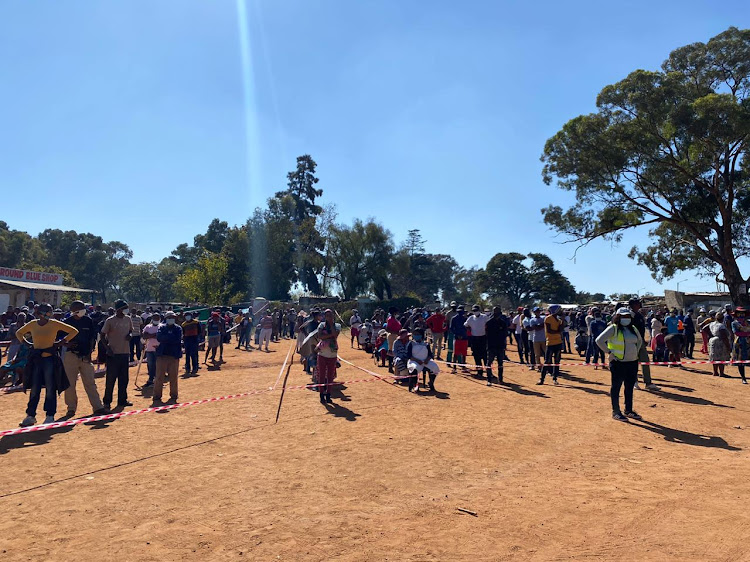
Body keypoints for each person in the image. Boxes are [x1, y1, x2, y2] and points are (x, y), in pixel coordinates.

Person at [16, 303, 78, 426]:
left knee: (50, 388)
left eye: (50, 311)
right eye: (48, 311)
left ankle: (50, 415)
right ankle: (30, 415)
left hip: (50, 359)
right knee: (35, 388)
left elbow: (73, 331)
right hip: (36, 359)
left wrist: (61, 342)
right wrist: (27, 343)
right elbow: (19, 333)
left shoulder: (54, 323)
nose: (50, 313)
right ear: (40, 314)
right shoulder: (33, 324)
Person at [595, 307, 643, 422]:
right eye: (623, 317)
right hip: (618, 363)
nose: (626, 318)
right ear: (618, 317)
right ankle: (616, 411)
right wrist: (609, 352)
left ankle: (628, 410)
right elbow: (599, 340)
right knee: (616, 387)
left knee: (629, 387)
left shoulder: (633, 329)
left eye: (628, 316)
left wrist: (635, 353)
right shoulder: (613, 328)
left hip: (632, 362)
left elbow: (639, 341)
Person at [62, 300, 108, 417]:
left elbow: (92, 337)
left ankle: (98, 407)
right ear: (74, 310)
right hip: (71, 356)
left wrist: (90, 351)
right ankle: (71, 408)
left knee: (90, 383)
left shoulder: (88, 321)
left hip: (86, 356)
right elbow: (58, 338)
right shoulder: (66, 322)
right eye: (81, 308)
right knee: (70, 384)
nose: (84, 309)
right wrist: (66, 344)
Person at [100, 300, 134, 410]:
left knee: (124, 379)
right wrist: (107, 348)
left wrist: (130, 335)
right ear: (119, 309)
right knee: (111, 379)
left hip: (125, 352)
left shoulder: (128, 319)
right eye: (125, 307)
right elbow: (102, 335)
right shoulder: (110, 320)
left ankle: (122, 400)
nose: (127, 309)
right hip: (113, 354)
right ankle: (107, 401)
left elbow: (130, 331)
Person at [628, 298, 660, 391]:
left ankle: (648, 383)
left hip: (640, 341)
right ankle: (634, 382)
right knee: (633, 362)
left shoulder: (639, 315)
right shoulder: (629, 315)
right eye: (638, 303)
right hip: (633, 342)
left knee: (645, 361)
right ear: (634, 305)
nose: (640, 305)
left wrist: (643, 340)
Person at [153, 311, 183, 405]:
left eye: (173, 317)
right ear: (166, 318)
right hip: (162, 355)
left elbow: (177, 339)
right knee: (159, 377)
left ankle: (174, 395)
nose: (171, 318)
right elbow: (159, 338)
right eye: (169, 317)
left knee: (173, 377)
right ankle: (157, 395)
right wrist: (170, 337)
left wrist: (166, 338)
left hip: (174, 356)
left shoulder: (178, 328)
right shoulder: (161, 327)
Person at [316, 309, 340, 404]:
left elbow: (335, 335)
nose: (328, 317)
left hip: (332, 354)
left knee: (330, 376)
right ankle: (322, 395)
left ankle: (328, 395)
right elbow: (320, 336)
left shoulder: (337, 325)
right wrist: (330, 336)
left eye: (330, 315)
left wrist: (330, 326)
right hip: (322, 354)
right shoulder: (321, 325)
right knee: (322, 376)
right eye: (326, 315)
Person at [406, 327, 439, 392]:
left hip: (425, 361)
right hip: (414, 361)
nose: (416, 336)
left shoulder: (426, 344)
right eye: (415, 334)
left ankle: (431, 383)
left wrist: (427, 359)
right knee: (414, 369)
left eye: (418, 334)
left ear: (422, 335)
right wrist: (417, 360)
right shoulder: (411, 343)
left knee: (435, 367)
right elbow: (409, 355)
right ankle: (415, 385)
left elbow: (430, 355)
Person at [538, 304, 563, 385]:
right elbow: (549, 331)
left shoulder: (559, 320)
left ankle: (555, 378)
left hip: (558, 342)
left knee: (557, 361)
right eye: (559, 310)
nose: (561, 312)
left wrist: (562, 321)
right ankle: (542, 379)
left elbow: (561, 329)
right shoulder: (548, 318)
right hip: (550, 342)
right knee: (547, 361)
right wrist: (558, 331)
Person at [485, 306, 508, 385]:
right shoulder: (489, 322)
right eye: (495, 312)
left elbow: (505, 334)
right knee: (489, 363)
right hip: (491, 346)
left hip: (500, 346)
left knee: (500, 363)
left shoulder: (503, 323)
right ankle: (489, 380)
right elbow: (486, 334)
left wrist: (504, 345)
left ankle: (500, 379)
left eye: (497, 312)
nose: (496, 314)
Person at [465, 304, 489, 376]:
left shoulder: (484, 317)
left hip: (483, 338)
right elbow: (465, 325)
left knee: (485, 356)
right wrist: (469, 330)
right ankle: (479, 372)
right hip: (474, 339)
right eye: (474, 310)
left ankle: (488, 372)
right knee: (476, 355)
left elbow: (489, 324)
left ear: (479, 310)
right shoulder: (471, 318)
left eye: (476, 310)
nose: (475, 312)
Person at [708, 311, 732, 378]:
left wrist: (711, 336)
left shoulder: (712, 324)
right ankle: (721, 373)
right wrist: (728, 346)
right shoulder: (721, 326)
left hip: (713, 341)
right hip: (720, 341)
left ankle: (715, 372)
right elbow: (724, 336)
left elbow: (705, 329)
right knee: (721, 357)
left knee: (714, 356)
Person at [731, 307, 750, 384]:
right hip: (740, 343)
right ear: (737, 314)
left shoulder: (748, 322)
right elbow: (736, 333)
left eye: (743, 313)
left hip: (748, 342)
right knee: (741, 361)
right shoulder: (734, 323)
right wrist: (748, 334)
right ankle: (743, 377)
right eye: (739, 313)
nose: (741, 315)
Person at [141, 313, 161, 387]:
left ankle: (157, 379)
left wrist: (150, 335)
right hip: (149, 349)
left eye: (157, 318)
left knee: (158, 365)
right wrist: (154, 335)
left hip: (159, 349)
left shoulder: (162, 326)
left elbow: (160, 336)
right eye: (155, 318)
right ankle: (150, 379)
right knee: (150, 364)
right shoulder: (148, 327)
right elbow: (144, 336)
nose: (156, 319)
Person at [450, 306, 469, 373]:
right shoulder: (454, 319)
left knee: (463, 353)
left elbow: (468, 327)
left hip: (464, 337)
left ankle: (463, 367)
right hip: (457, 338)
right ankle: (454, 368)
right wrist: (457, 335)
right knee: (456, 353)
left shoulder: (466, 319)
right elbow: (451, 328)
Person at [528, 307, 546, 373]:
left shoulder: (544, 318)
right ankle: (539, 367)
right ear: (534, 312)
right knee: (537, 354)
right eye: (536, 311)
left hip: (543, 338)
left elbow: (543, 325)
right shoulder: (532, 320)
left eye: (538, 311)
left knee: (546, 353)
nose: (538, 312)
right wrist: (541, 325)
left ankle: (547, 366)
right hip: (536, 339)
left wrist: (540, 326)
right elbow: (535, 328)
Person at [444, 302, 459, 366]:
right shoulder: (448, 313)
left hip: (458, 332)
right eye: (453, 307)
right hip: (451, 332)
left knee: (458, 347)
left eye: (455, 306)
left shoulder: (458, 313)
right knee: (450, 347)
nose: (454, 308)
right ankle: (449, 361)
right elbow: (446, 322)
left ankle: (459, 361)